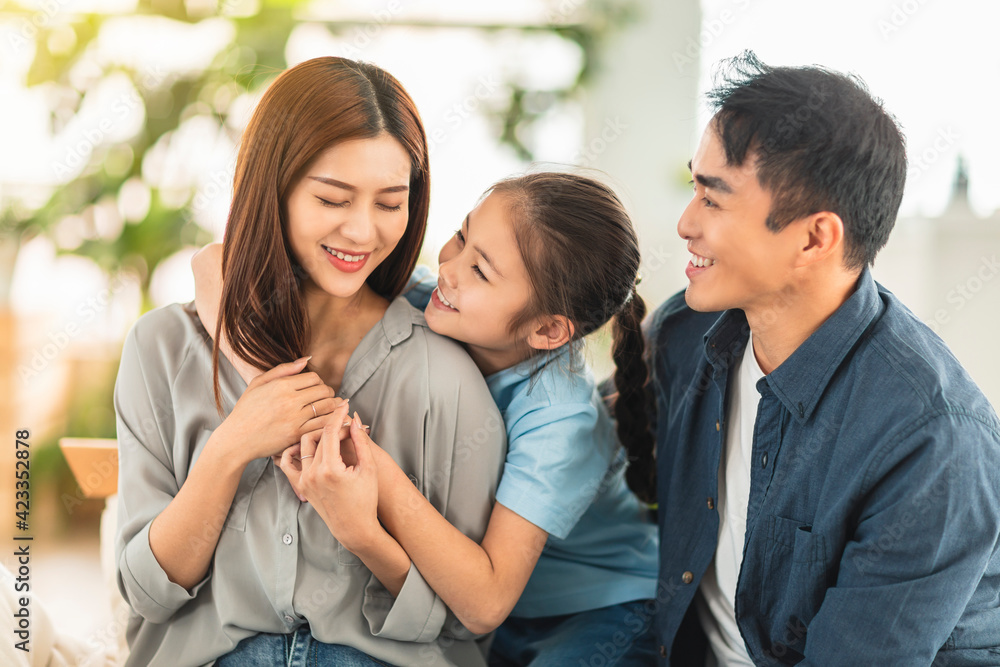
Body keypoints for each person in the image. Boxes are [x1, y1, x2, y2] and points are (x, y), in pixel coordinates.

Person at [112, 56, 506, 667]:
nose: (362, 231)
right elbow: (146, 593)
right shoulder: (161, 349)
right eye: (333, 198)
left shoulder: (445, 376)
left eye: (389, 202)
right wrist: (228, 449)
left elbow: (458, 625)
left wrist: (363, 530)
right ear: (274, 187)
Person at [193, 172, 661, 666]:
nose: (449, 267)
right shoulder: (427, 300)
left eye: (480, 271)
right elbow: (211, 263)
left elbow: (486, 602)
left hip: (596, 610)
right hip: (467, 612)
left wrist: (367, 461)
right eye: (461, 235)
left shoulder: (560, 419)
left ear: (546, 329)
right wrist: (276, 395)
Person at [646, 52, 1000, 665]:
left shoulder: (933, 440)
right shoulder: (686, 329)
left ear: (815, 237)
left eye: (713, 199)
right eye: (692, 187)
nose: (685, 223)